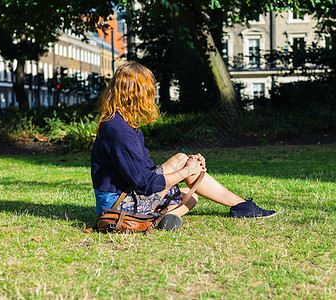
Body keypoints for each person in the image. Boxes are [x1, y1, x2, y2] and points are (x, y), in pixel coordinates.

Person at [90, 61, 276, 230]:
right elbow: (143, 183)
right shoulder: (118, 129)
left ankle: (236, 206)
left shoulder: (120, 122)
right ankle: (160, 219)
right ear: (137, 93)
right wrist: (186, 172)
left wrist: (188, 165)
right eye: (149, 91)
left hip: (122, 194)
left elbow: (143, 172)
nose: (151, 96)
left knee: (185, 172)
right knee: (191, 193)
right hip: (116, 204)